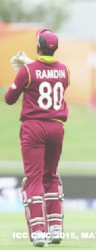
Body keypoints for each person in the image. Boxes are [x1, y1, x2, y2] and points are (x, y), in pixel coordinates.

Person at [5, 29, 69, 247]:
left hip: (33, 128)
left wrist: (25, 68)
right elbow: (49, 75)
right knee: (50, 176)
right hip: (56, 128)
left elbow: (9, 99)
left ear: (37, 47)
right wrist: (30, 64)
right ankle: (55, 227)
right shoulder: (65, 70)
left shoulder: (27, 71)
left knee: (33, 179)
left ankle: (39, 232)